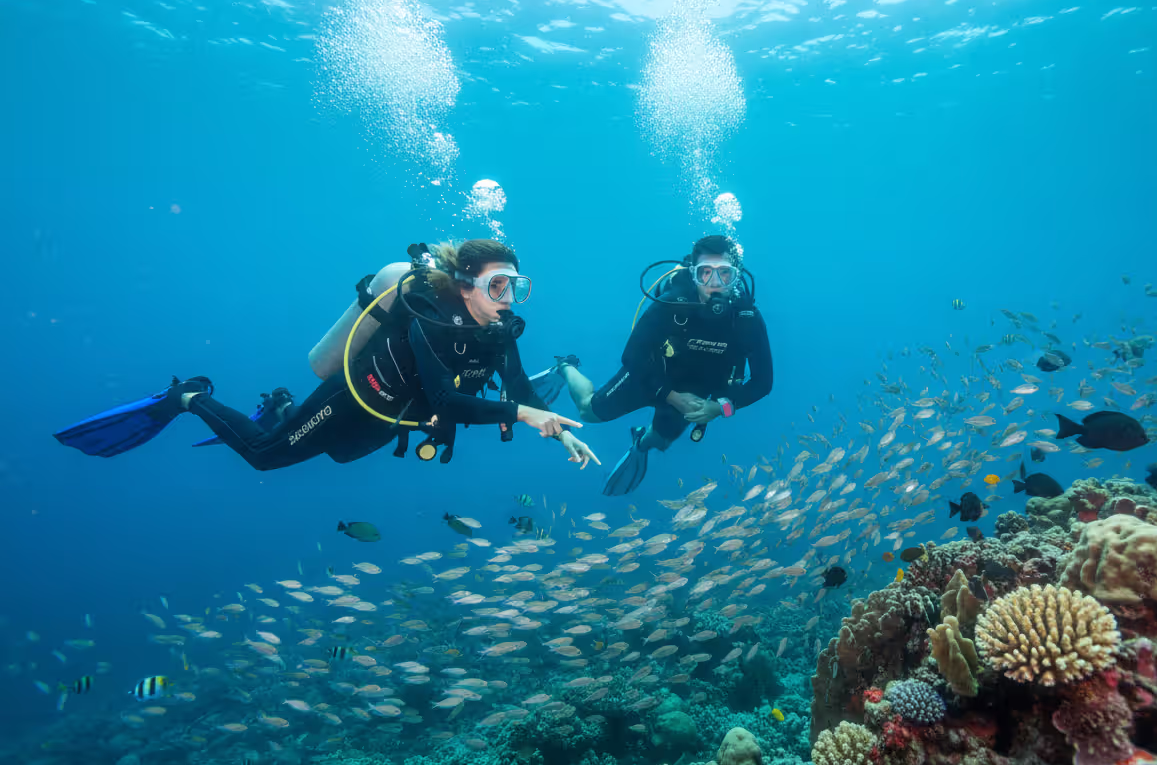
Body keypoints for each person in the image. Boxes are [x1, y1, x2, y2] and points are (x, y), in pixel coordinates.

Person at [55, 240, 599, 471]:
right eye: (498, 286)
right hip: (354, 397)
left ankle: (278, 408)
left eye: (516, 288)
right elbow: (446, 400)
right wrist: (524, 415)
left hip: (391, 419)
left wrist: (560, 428)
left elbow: (520, 388)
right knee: (267, 457)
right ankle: (187, 396)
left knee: (336, 457)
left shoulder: (498, 331)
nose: (508, 301)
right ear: (462, 285)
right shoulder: (428, 319)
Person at [539, 235, 771, 496]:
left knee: (660, 441)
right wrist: (670, 396)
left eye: (725, 274)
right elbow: (632, 357)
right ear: (693, 275)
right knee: (588, 412)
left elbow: (763, 382)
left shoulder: (748, 319)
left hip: (697, 394)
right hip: (650, 377)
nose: (714, 284)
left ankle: (640, 442)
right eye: (705, 273)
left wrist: (719, 408)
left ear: (737, 276)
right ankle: (566, 367)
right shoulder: (671, 304)